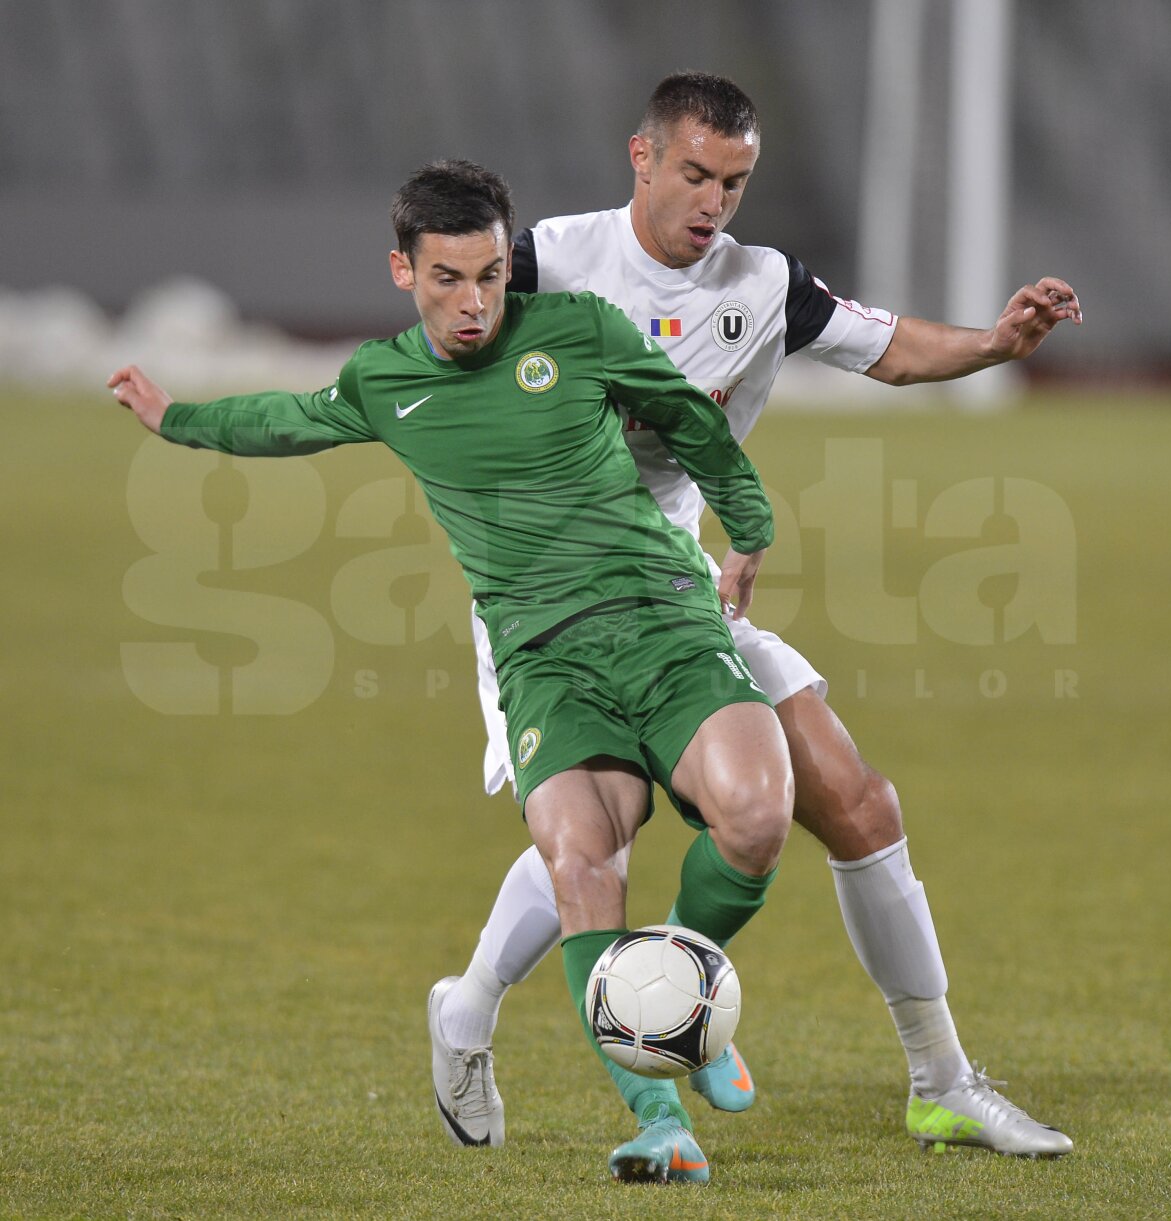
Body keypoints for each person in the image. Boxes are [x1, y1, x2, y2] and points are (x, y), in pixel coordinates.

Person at [431, 73, 1081, 1158]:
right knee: (599, 835)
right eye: (696, 174)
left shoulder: (764, 284)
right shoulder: (546, 262)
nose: (715, 202)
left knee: (858, 803)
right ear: (642, 156)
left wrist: (997, 344)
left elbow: (889, 348)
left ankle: (941, 1081)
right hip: (548, 607)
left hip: (677, 595)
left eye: (735, 181)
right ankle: (472, 1009)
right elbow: (446, 375)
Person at [109, 158, 796, 1185]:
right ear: (404, 271)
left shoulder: (581, 330)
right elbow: (288, 420)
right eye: (447, 280)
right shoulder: (385, 382)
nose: (474, 303)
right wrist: (177, 419)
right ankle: (658, 1120)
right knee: (581, 862)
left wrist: (749, 528)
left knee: (757, 814)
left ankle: (678, 993)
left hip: (663, 619)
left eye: (490, 276)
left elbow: (691, 418)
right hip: (544, 659)